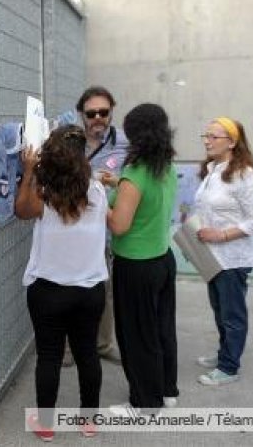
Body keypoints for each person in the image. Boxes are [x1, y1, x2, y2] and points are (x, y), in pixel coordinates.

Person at [16, 125, 109, 441]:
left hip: (48, 292)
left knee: (49, 356)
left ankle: (45, 425)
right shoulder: (97, 192)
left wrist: (29, 171)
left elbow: (21, 211)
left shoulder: (43, 193)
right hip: (90, 292)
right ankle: (89, 420)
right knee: (87, 354)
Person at [106, 103, 178, 416]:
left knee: (136, 335)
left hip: (135, 265)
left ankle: (145, 403)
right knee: (162, 328)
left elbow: (119, 224)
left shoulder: (135, 174)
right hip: (162, 258)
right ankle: (166, 389)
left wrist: (99, 203)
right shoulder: (166, 165)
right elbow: (146, 200)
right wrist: (115, 184)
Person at [193, 118, 253, 385]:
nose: (206, 141)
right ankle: (226, 353)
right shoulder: (213, 170)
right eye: (206, 135)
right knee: (219, 310)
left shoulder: (244, 174)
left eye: (214, 137)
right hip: (212, 256)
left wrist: (221, 234)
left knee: (232, 314)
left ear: (233, 142)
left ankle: (229, 368)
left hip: (233, 258)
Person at [64, 86, 128, 366]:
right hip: (70, 230)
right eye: (92, 113)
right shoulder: (68, 143)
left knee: (104, 291)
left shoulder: (126, 144)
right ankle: (67, 348)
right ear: (82, 115)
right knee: (67, 290)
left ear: (112, 111)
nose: (98, 118)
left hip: (104, 232)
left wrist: (114, 183)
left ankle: (102, 344)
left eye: (104, 112)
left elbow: (134, 182)